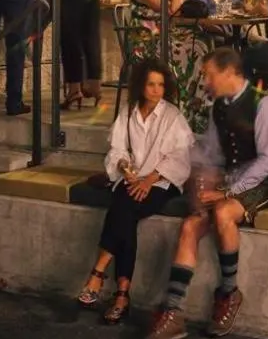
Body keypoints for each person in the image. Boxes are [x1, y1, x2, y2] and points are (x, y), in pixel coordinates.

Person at [144, 48, 268, 339]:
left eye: (209, 75)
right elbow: (213, 152)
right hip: (228, 178)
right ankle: (172, 312)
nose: (205, 81)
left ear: (229, 72)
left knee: (223, 212)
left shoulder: (264, 104)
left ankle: (229, 293)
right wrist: (196, 174)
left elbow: (267, 161)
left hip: (262, 181)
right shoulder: (218, 106)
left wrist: (227, 190)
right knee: (190, 225)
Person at [77, 60, 192, 322]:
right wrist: (124, 167)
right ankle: (121, 295)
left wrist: (149, 180)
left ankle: (98, 273)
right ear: (141, 86)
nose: (157, 90)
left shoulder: (172, 116)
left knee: (122, 208)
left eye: (161, 85)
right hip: (131, 180)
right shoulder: (128, 113)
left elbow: (180, 157)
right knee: (125, 214)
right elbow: (117, 149)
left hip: (161, 182)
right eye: (151, 84)